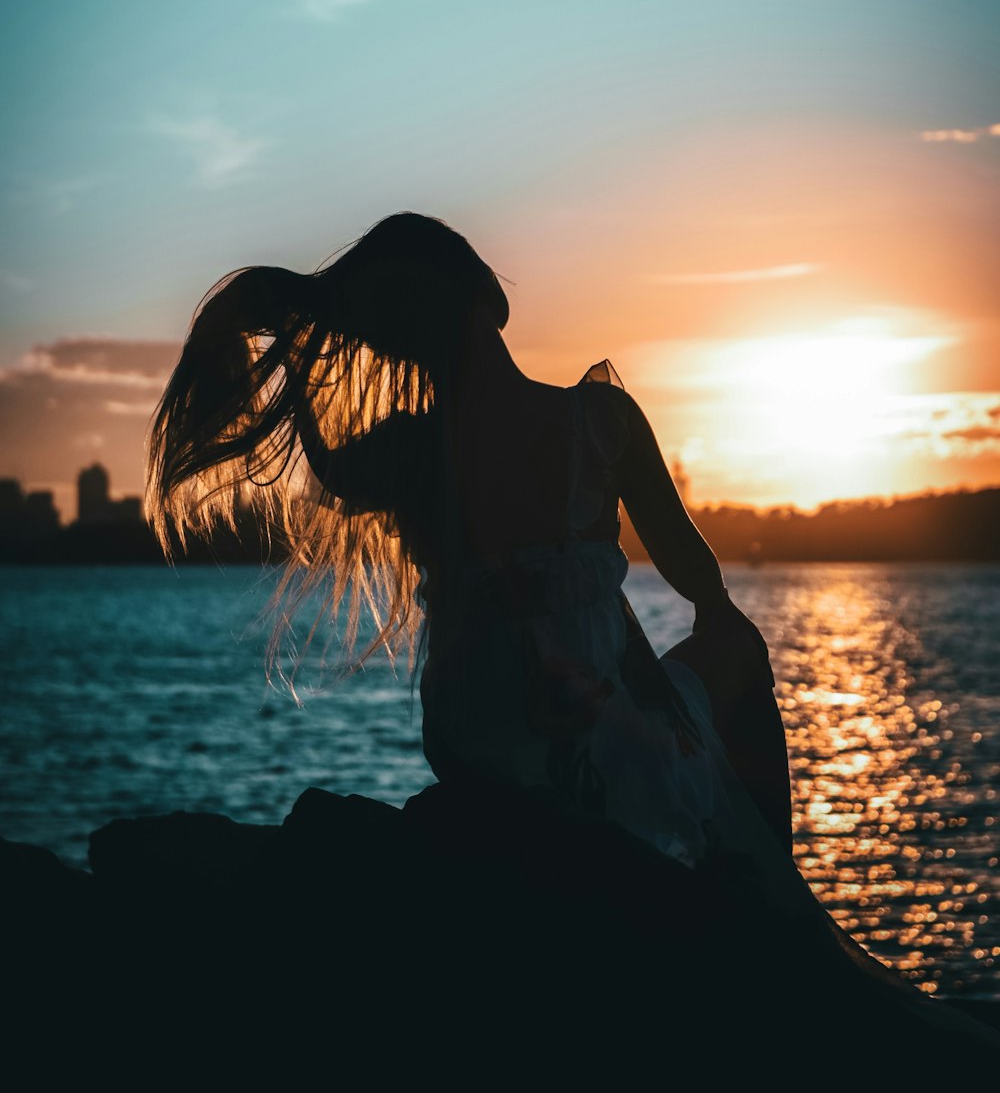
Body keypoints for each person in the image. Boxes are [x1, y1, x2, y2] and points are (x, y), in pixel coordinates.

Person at [146, 211, 997, 1065]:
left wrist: (294, 357)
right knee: (738, 653)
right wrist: (709, 622)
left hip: (475, 732)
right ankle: (762, 884)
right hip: (599, 729)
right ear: (487, 294)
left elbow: (330, 476)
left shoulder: (410, 447)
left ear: (402, 335)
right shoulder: (602, 420)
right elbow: (690, 565)